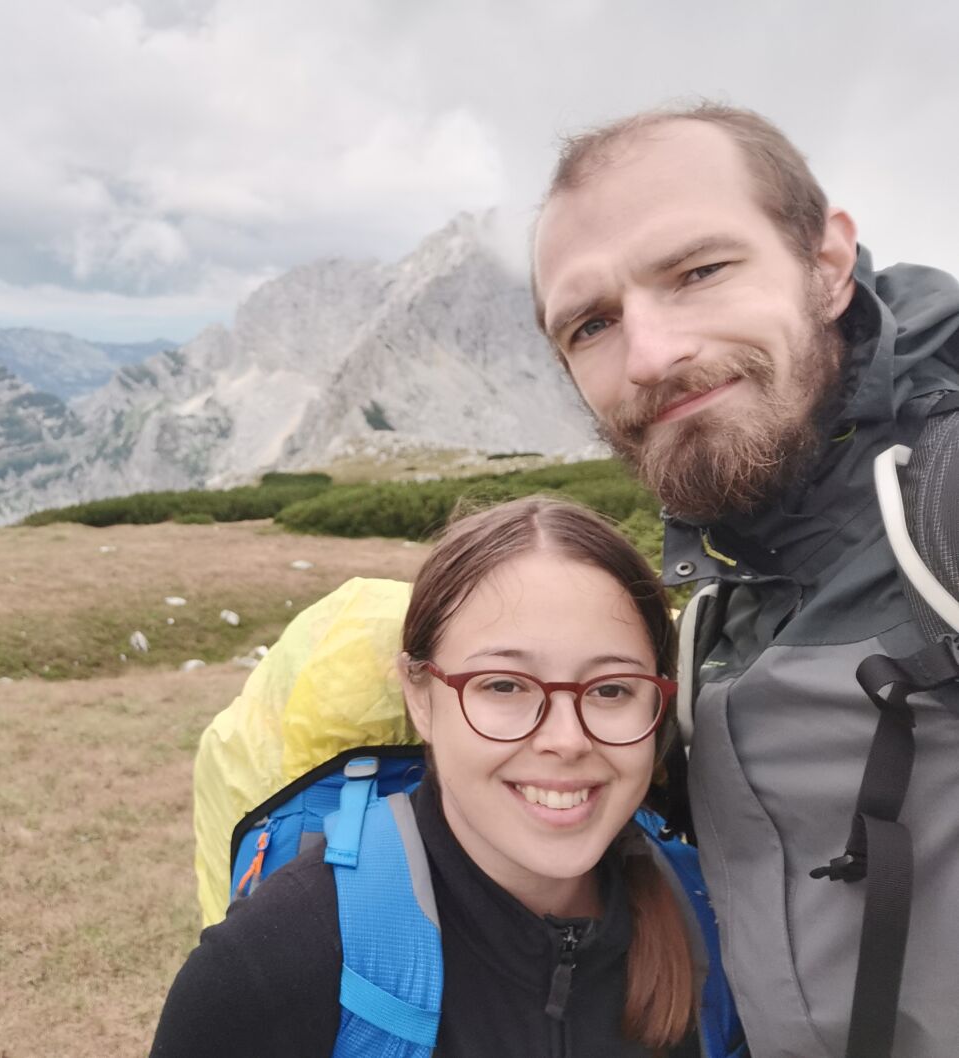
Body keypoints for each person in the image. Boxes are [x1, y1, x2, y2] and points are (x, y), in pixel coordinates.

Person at [531, 103, 959, 1057]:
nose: (650, 356)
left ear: (828, 262)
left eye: (700, 272)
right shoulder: (716, 602)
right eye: (591, 325)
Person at [151, 497, 715, 1058]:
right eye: (503, 685)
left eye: (613, 688)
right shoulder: (267, 966)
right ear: (420, 696)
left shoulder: (715, 924)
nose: (566, 740)